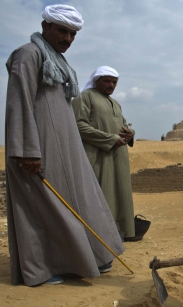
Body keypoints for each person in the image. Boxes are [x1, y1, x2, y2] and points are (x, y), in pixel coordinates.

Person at [4, 5, 124, 286]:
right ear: (45, 26)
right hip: (38, 149)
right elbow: (20, 104)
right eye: (62, 30)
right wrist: (27, 151)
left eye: (73, 33)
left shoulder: (56, 60)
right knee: (41, 208)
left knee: (75, 203)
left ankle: (85, 258)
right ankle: (41, 269)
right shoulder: (29, 54)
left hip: (64, 149)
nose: (68, 38)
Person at [73, 66, 136, 241]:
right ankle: (99, 237)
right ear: (96, 81)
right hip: (98, 156)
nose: (111, 85)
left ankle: (118, 234)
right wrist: (109, 139)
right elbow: (78, 125)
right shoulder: (84, 97)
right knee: (100, 195)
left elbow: (123, 125)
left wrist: (131, 133)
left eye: (114, 82)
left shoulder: (115, 103)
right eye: (107, 81)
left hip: (118, 157)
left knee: (119, 194)